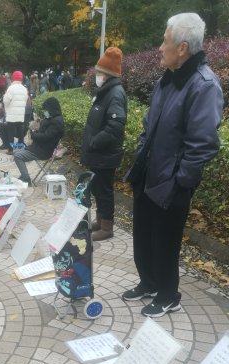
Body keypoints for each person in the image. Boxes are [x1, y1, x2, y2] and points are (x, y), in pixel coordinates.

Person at [123, 13, 223, 318]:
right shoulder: (166, 79)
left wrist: (181, 181)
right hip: (148, 173)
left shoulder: (204, 85)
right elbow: (148, 125)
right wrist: (142, 151)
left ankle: (168, 295)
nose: (159, 47)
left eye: (165, 41)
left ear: (182, 48)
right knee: (143, 234)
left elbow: (203, 143)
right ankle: (149, 283)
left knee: (166, 241)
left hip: (173, 181)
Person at [81, 47, 127, 242]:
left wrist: (94, 141)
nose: (97, 75)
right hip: (99, 153)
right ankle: (100, 221)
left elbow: (115, 126)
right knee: (98, 189)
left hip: (105, 153)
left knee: (104, 191)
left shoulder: (115, 93)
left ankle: (107, 227)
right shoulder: (105, 91)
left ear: (107, 73)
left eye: (100, 71)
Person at [14, 97, 64, 185]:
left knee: (17, 156)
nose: (45, 112)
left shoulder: (56, 122)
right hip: (39, 147)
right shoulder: (52, 118)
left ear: (51, 108)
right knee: (16, 151)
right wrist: (36, 131)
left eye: (46, 110)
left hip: (43, 151)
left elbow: (46, 137)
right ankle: (24, 176)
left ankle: (26, 179)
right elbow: (44, 133)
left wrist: (33, 135)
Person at [3, 70, 28, 155]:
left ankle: (11, 150)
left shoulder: (11, 88)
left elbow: (6, 101)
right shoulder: (24, 89)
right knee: (20, 132)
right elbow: (25, 100)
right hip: (20, 114)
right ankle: (20, 149)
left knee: (11, 133)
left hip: (12, 115)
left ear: (13, 78)